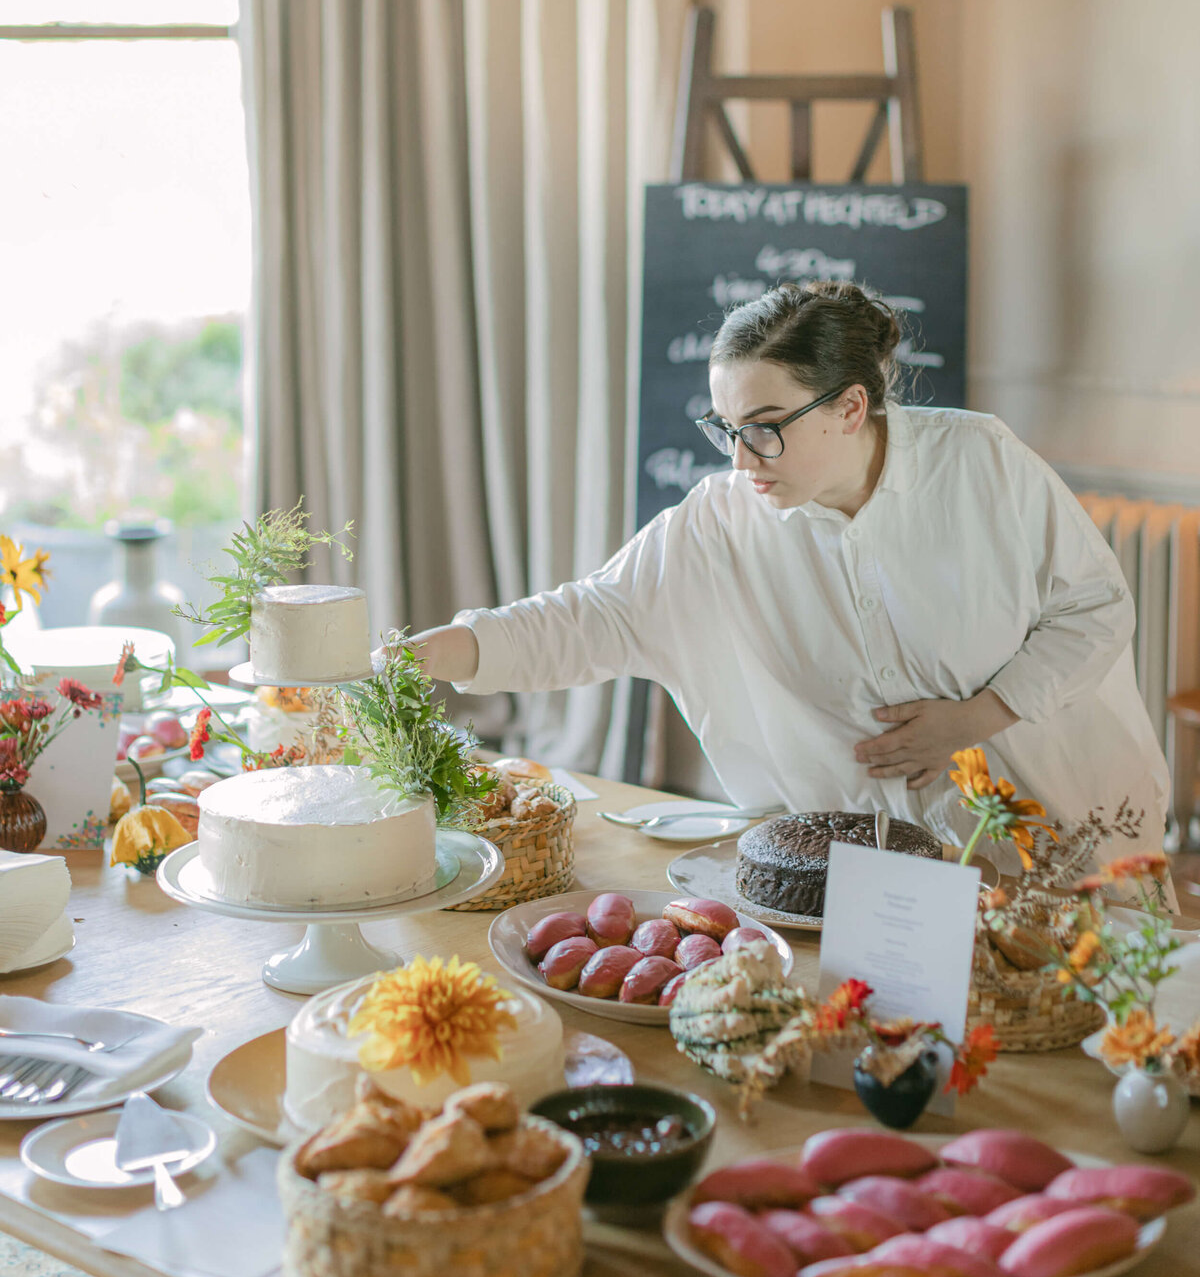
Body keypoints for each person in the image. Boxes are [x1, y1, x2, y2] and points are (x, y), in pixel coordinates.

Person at [409, 280, 1170, 867]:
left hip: (1068, 841)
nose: (741, 461)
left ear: (850, 407)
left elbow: (1096, 609)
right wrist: (430, 654)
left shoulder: (982, 465)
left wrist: (978, 717)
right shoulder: (719, 522)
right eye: (726, 430)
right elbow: (591, 618)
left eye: (766, 429)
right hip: (870, 873)